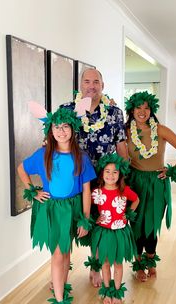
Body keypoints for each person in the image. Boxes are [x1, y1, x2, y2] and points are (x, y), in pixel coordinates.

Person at [17, 107, 96, 304]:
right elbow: (22, 168)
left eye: (65, 126)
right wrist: (33, 191)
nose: (61, 131)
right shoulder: (44, 154)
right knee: (58, 253)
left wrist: (86, 219)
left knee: (66, 251)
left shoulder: (81, 157)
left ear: (72, 129)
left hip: (72, 209)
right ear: (50, 130)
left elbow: (87, 190)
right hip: (53, 209)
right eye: (56, 127)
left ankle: (60, 282)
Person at [61, 68, 128, 287]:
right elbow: (54, 139)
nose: (92, 85)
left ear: (103, 85)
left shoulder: (115, 112)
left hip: (103, 179)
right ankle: (60, 273)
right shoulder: (67, 110)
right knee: (69, 225)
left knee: (100, 223)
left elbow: (120, 145)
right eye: (87, 81)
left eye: (96, 81)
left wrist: (124, 175)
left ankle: (96, 267)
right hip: (73, 178)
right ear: (80, 84)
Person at [125, 91, 176, 282]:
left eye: (147, 107)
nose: (142, 111)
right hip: (135, 181)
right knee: (136, 223)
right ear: (132, 109)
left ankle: (151, 259)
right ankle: (138, 265)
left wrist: (173, 170)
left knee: (152, 223)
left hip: (157, 183)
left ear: (151, 110)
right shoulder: (126, 131)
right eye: (138, 107)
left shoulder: (160, 130)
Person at [91, 153, 139, 304]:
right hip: (104, 232)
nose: (111, 175)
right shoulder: (97, 192)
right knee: (104, 263)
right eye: (107, 171)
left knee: (118, 263)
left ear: (120, 174)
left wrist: (127, 214)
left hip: (119, 232)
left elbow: (136, 199)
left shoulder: (123, 190)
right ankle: (106, 290)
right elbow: (89, 207)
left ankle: (117, 292)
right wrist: (95, 218)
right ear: (102, 173)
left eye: (115, 172)